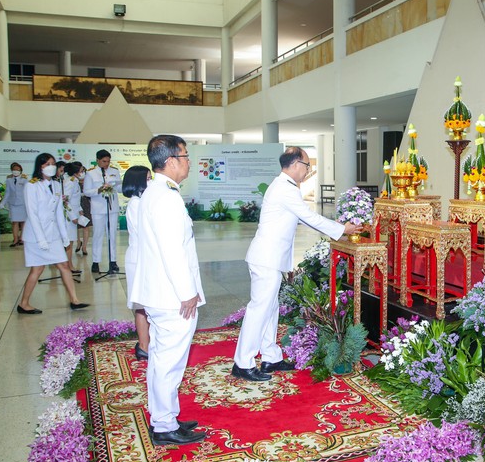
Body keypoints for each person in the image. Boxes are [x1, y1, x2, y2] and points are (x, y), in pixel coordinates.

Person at [232, 146, 359, 382]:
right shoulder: (285, 188)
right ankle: (242, 363)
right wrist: (342, 229)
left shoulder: (284, 186)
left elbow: (302, 219)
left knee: (270, 309)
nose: (308, 171)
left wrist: (338, 230)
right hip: (266, 258)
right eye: (307, 165)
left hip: (270, 258)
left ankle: (270, 357)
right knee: (259, 310)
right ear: (295, 164)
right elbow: (309, 217)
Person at [130, 135, 206, 446]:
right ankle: (163, 425)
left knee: (162, 358)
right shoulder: (166, 197)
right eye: (186, 156)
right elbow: (172, 251)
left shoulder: (155, 192)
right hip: (171, 295)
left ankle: (165, 417)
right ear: (171, 161)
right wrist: (187, 292)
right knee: (169, 361)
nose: (189, 162)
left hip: (159, 290)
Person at [16, 153, 90, 314]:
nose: (51, 167)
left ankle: (74, 300)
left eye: (53, 164)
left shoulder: (56, 185)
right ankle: (24, 303)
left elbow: (58, 213)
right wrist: (41, 239)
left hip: (53, 234)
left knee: (64, 265)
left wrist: (64, 236)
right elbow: (32, 214)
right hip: (36, 236)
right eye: (47, 164)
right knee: (37, 269)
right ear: (40, 166)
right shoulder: (32, 185)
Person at [122, 165, 152, 361]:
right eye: (147, 179)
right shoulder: (135, 204)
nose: (151, 182)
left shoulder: (142, 201)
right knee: (141, 305)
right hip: (139, 258)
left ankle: (148, 342)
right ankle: (143, 346)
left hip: (145, 257)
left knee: (148, 303)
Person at [83, 149, 122, 274]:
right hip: (98, 208)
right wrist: (99, 190)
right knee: (98, 235)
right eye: (104, 161)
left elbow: (119, 188)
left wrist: (122, 186)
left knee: (112, 235)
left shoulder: (114, 171)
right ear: (97, 160)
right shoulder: (91, 173)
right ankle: (96, 261)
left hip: (112, 207)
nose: (106, 164)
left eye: (108, 161)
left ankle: (113, 261)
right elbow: (86, 191)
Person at [61, 162, 84, 273]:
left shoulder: (74, 181)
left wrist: (79, 209)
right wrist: (73, 216)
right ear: (76, 172)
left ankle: (69, 265)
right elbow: (65, 201)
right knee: (69, 243)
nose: (83, 173)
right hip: (68, 217)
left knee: (70, 242)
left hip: (73, 214)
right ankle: (68, 266)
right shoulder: (70, 182)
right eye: (81, 171)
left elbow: (75, 199)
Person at [0, 162, 27, 247]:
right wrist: (2, 203)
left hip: (23, 203)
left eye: (18, 170)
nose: (16, 171)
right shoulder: (9, 180)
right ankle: (15, 240)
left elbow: (27, 192)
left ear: (21, 171)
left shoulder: (24, 180)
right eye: (14, 169)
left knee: (23, 222)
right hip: (13, 204)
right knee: (14, 222)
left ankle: (22, 239)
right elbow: (7, 193)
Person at [76, 163, 90, 255]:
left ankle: (84, 247)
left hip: (86, 204)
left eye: (84, 171)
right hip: (77, 205)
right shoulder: (74, 182)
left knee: (86, 225)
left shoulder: (88, 182)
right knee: (76, 226)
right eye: (81, 171)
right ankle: (78, 242)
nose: (82, 173)